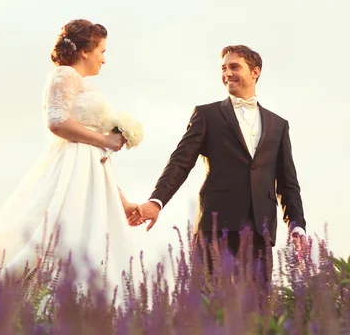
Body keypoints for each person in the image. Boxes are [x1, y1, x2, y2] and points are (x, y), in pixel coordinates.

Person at [0, 19, 143, 298]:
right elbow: (57, 121)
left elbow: (98, 155)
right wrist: (105, 139)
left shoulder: (85, 85)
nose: (104, 59)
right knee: (60, 237)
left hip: (91, 172)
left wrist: (121, 202)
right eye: (102, 51)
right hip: (71, 168)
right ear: (85, 51)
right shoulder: (65, 75)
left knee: (92, 242)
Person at [130, 45, 308, 283]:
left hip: (260, 230)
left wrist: (297, 226)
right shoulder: (207, 115)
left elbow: (287, 182)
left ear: (255, 72)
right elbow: (180, 162)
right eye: (223, 68)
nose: (227, 73)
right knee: (207, 305)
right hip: (214, 225)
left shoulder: (278, 124)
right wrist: (157, 200)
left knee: (258, 309)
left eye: (235, 67)